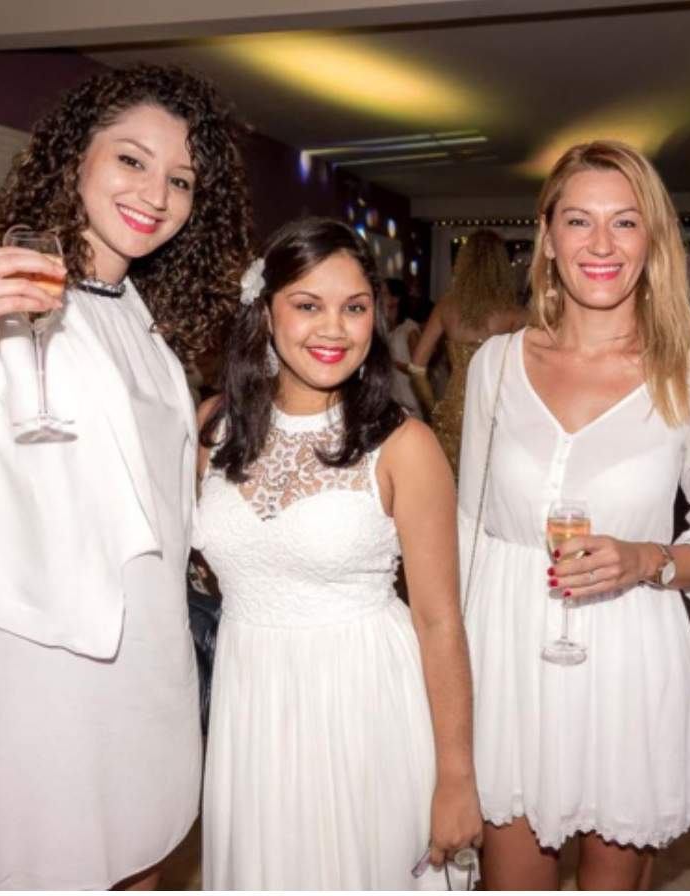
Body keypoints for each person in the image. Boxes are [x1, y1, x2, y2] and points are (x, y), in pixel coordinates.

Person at [0, 64, 251, 890]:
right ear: (75, 156)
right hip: (39, 689)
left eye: (181, 179)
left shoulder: (147, 329)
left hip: (152, 677)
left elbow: (157, 512)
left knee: (144, 862)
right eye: (132, 160)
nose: (156, 194)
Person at [458, 140, 690, 890]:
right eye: (579, 221)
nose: (600, 244)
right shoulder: (495, 364)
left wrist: (647, 559)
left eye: (624, 222)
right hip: (507, 658)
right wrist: (450, 675)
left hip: (628, 659)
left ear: (653, 240)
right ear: (548, 237)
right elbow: (467, 532)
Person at [195, 217, 483, 889]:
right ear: (265, 312)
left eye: (354, 308)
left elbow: (440, 620)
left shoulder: (405, 446)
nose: (335, 329)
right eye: (308, 305)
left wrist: (457, 776)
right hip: (251, 702)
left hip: (363, 701)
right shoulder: (212, 426)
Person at [410, 228, 527, 477]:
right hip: (499, 413)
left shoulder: (446, 308)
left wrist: (433, 408)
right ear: (501, 266)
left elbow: (417, 367)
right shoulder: (516, 314)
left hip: (454, 413)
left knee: (452, 488)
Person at [383, 276, 425, 421]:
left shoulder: (409, 328)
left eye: (384, 294)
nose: (380, 298)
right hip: (391, 398)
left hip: (409, 399)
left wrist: (392, 363)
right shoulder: (384, 329)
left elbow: (418, 369)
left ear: (396, 299)